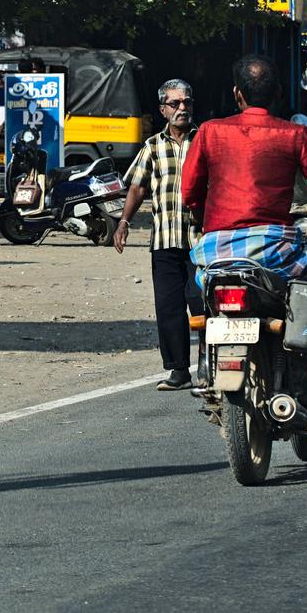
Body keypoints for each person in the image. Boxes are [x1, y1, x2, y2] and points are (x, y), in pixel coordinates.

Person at [181, 54, 307, 417]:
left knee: (200, 289)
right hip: (274, 250)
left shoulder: (210, 132)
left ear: (237, 94)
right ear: (279, 92)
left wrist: (207, 219)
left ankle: (207, 367)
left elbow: (189, 194)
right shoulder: (295, 134)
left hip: (217, 252)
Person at [114, 78, 205, 390]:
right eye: (175, 104)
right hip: (165, 240)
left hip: (201, 241)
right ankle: (179, 370)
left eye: (187, 102)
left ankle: (209, 365)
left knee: (203, 302)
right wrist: (124, 222)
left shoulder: (206, 140)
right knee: (168, 308)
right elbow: (138, 187)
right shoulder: (152, 146)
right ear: (163, 109)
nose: (183, 108)